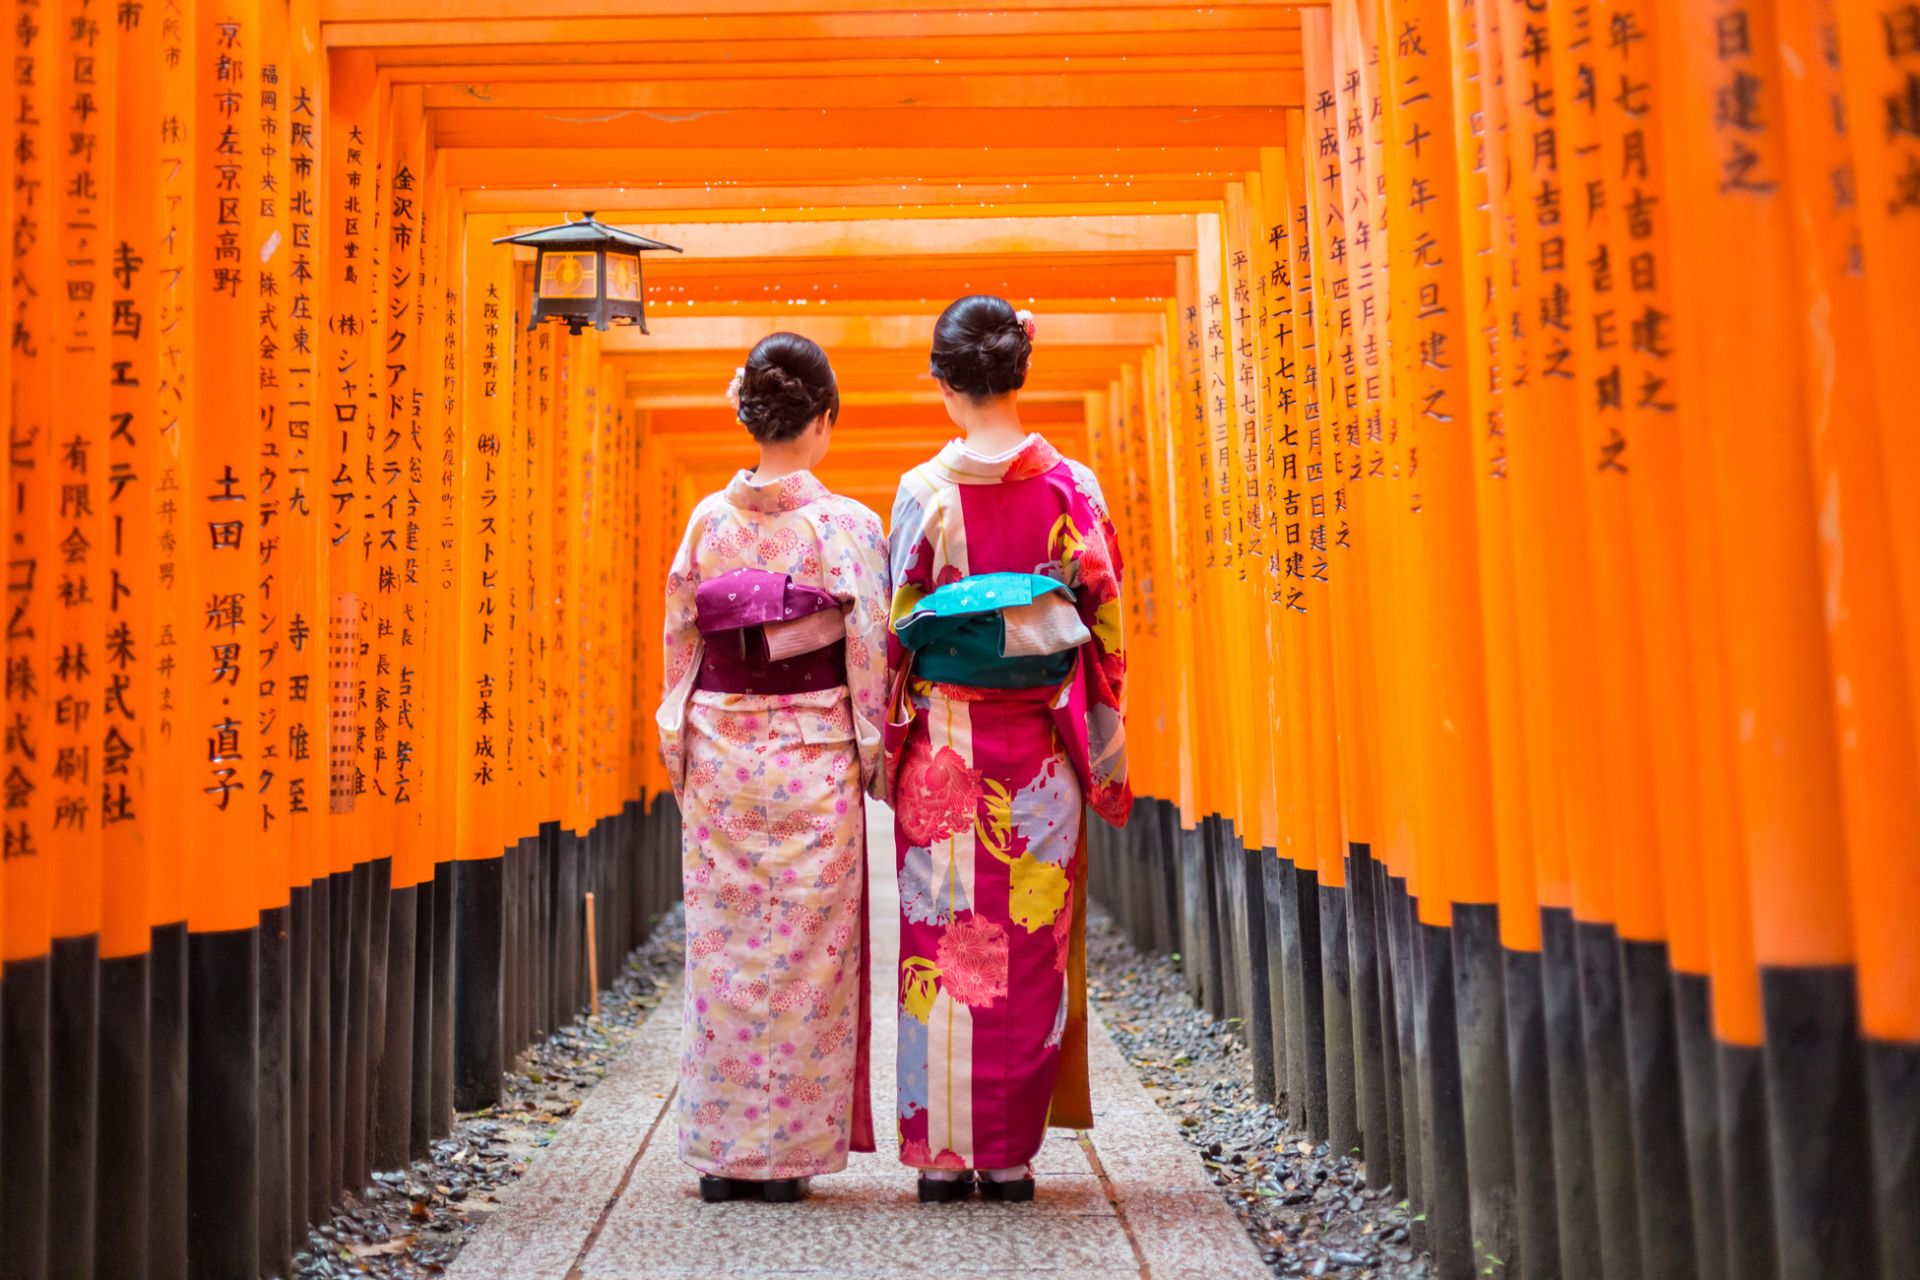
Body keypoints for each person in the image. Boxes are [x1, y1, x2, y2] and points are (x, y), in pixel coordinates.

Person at [885, 295, 1131, 1203]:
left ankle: (941, 1157)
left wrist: (888, 736)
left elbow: (897, 626)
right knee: (1029, 943)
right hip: (1037, 760)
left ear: (946, 383)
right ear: (1020, 370)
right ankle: (1011, 1156)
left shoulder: (923, 493)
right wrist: (1099, 737)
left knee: (941, 937)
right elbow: (1101, 634)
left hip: (947, 750)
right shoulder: (1075, 488)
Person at [657, 332, 891, 1203]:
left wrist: (681, 749)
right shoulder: (848, 526)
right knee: (804, 952)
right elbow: (870, 653)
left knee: (723, 950)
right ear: (824, 421)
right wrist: (876, 757)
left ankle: (724, 1155)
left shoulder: (707, 524)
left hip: (721, 751)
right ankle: (784, 1155)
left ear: (750, 415)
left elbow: (680, 649)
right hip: (811, 754)